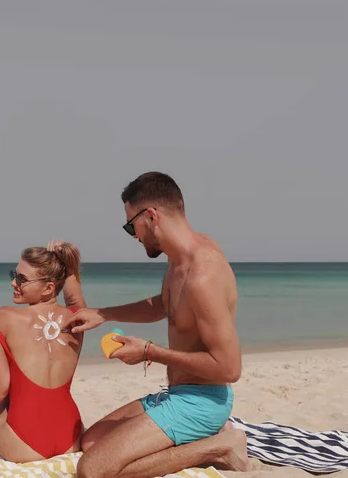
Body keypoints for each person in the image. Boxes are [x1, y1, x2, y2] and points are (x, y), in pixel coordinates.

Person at [63, 172, 251, 478]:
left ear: (150, 216)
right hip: (178, 394)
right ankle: (199, 440)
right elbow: (167, 306)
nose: (133, 235)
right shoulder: (179, 260)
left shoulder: (203, 274)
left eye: (130, 225)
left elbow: (230, 369)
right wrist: (102, 314)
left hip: (202, 402)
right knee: (92, 441)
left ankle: (221, 445)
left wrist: (149, 351)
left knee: (93, 469)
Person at [0, 242, 87, 462]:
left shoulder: (4, 317)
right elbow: (74, 299)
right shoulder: (79, 319)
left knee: (2, 382)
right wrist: (70, 266)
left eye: (21, 279)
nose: (13, 283)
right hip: (71, 440)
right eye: (14, 275)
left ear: (48, 288)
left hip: (22, 446)